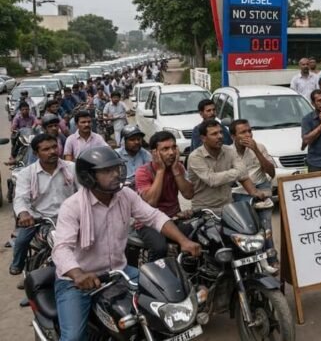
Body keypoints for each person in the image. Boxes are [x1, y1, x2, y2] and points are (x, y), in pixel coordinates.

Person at [52, 146, 201, 341]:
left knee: (163, 302)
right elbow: (62, 247)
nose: (115, 174)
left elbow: (154, 217)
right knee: (73, 337)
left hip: (120, 272)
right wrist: (78, 274)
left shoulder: (125, 195)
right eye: (107, 171)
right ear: (88, 177)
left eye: (116, 169)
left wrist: (183, 241)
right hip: (78, 281)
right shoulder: (72, 207)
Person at [10, 134, 78, 275]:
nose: (52, 151)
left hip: (70, 218)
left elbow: (85, 191)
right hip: (39, 220)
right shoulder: (26, 174)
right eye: (46, 149)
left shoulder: (72, 168)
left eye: (54, 147)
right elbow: (21, 198)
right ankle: (18, 264)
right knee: (22, 240)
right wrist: (24, 214)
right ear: (36, 153)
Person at [134, 131, 195, 262]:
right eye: (165, 149)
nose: (171, 152)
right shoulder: (143, 172)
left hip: (173, 218)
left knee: (197, 234)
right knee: (159, 248)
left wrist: (175, 170)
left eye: (174, 147)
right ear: (154, 153)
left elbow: (189, 194)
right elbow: (151, 203)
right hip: (148, 222)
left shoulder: (178, 167)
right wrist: (161, 171)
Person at [230, 119, 278, 272]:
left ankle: (272, 259)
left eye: (249, 131)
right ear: (233, 136)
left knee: (266, 227)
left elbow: (271, 172)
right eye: (243, 132)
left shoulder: (260, 147)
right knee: (247, 229)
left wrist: (256, 151)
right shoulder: (228, 152)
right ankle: (251, 263)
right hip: (240, 192)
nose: (248, 135)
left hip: (262, 188)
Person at [187, 119, 266, 210]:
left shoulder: (229, 151)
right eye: (214, 134)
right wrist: (236, 173)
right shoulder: (195, 157)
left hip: (228, 206)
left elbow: (244, 175)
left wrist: (254, 192)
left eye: (221, 132)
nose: (220, 136)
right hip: (205, 209)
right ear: (203, 138)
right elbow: (212, 180)